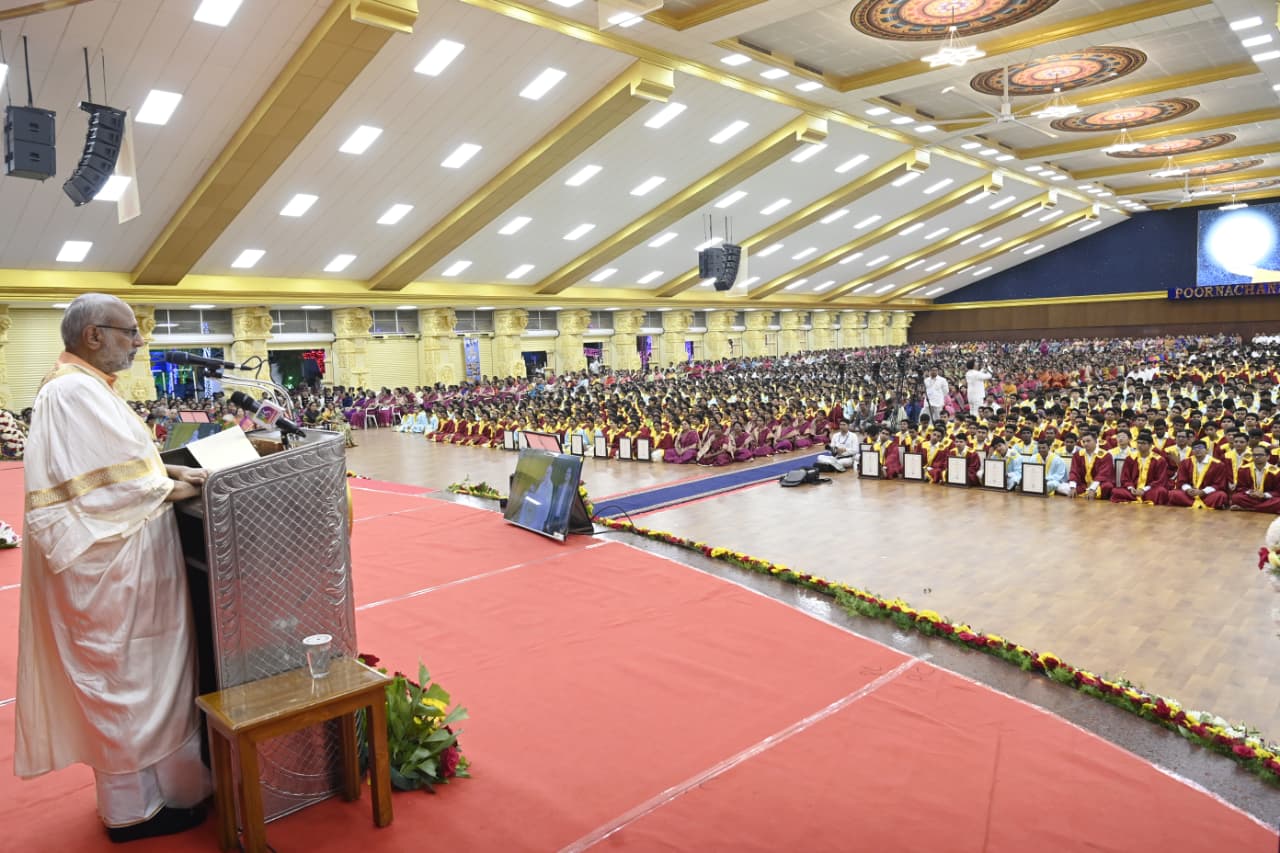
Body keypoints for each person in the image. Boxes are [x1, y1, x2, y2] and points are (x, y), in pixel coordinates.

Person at [15, 293, 211, 842]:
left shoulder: (87, 386)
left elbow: (121, 465)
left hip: (131, 559)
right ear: (93, 335)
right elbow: (96, 490)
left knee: (148, 676)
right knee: (129, 680)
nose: (139, 342)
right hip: (112, 567)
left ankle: (174, 791)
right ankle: (136, 811)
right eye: (130, 331)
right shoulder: (72, 391)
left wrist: (171, 472)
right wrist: (174, 486)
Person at [1166, 439, 1229, 509]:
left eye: (1200, 448)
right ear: (1192, 451)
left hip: (1207, 494)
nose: (1197, 450)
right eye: (1195, 448)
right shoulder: (1186, 462)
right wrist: (1188, 490)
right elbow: (1181, 481)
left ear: (1206, 450)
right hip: (1190, 494)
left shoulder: (1218, 464)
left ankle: (1192, 504)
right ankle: (1200, 504)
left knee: (1221, 495)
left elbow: (1219, 484)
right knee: (1173, 494)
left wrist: (1203, 491)